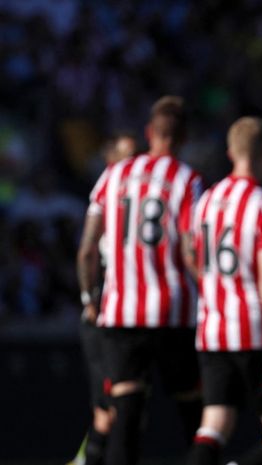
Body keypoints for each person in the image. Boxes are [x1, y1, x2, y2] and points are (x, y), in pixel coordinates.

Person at [77, 96, 204, 465]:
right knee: (193, 414)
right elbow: (190, 249)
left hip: (121, 311)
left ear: (150, 133)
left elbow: (86, 249)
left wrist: (90, 297)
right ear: (184, 138)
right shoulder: (187, 180)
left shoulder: (113, 176)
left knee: (126, 414)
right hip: (173, 310)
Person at [188, 117, 262, 465]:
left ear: (231, 152)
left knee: (214, 425)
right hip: (253, 331)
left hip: (212, 329)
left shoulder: (205, 201)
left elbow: (190, 254)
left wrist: (210, 287)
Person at [70, 133, 137, 465]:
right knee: (109, 410)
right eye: (126, 155)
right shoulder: (107, 196)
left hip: (127, 315)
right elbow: (86, 253)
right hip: (103, 316)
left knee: (120, 408)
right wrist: (89, 299)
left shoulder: (136, 204)